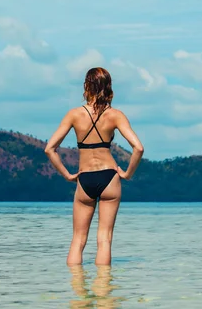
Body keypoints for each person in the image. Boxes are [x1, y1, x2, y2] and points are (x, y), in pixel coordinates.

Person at [44, 67, 144, 266]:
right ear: (108, 87)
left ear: (86, 86)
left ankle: (77, 292)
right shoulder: (116, 115)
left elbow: (49, 149)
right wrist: (127, 174)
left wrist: (67, 175)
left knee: (78, 241)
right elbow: (138, 148)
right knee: (104, 240)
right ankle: (104, 292)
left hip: (85, 178)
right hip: (109, 177)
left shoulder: (74, 114)